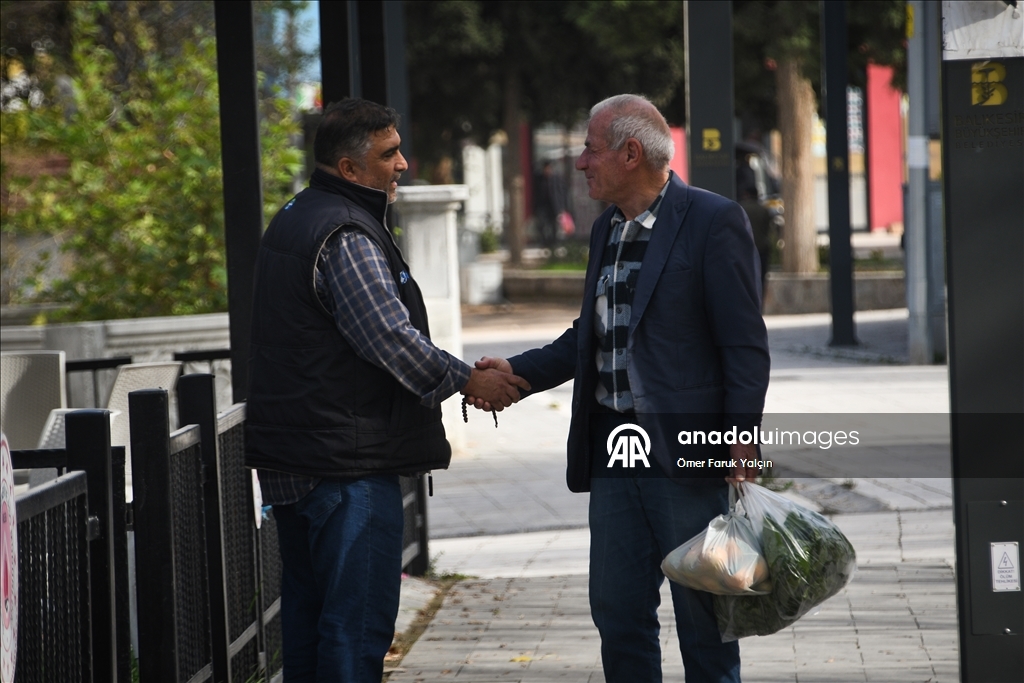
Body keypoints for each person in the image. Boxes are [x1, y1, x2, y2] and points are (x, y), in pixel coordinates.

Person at [470, 94, 770, 682]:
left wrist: (740, 437)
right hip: (615, 453)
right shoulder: (607, 228)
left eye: (589, 148)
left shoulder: (713, 221)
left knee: (704, 619)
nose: (580, 162)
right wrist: (519, 374)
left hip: (689, 457)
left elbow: (744, 344)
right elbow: (593, 334)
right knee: (617, 611)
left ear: (630, 154)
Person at [244, 98, 530, 682]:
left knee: (307, 622)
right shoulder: (345, 231)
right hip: (345, 465)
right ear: (350, 169)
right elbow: (387, 337)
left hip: (300, 459)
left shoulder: (300, 213)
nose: (403, 163)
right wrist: (467, 379)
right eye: (389, 153)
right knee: (355, 628)